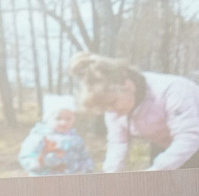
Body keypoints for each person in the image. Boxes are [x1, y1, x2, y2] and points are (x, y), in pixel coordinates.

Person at [68, 52, 199, 172]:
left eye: (113, 103)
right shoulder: (115, 107)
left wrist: (156, 170)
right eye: (106, 108)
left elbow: (189, 136)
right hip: (167, 146)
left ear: (128, 86)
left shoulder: (174, 91)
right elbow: (118, 142)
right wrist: (109, 177)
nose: (112, 112)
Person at [18, 94, 93, 176]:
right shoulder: (38, 137)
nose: (63, 123)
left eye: (68, 119)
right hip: (46, 179)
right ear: (48, 119)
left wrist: (85, 170)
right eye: (58, 118)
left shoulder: (76, 139)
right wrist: (37, 162)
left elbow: (84, 157)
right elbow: (26, 156)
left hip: (71, 179)